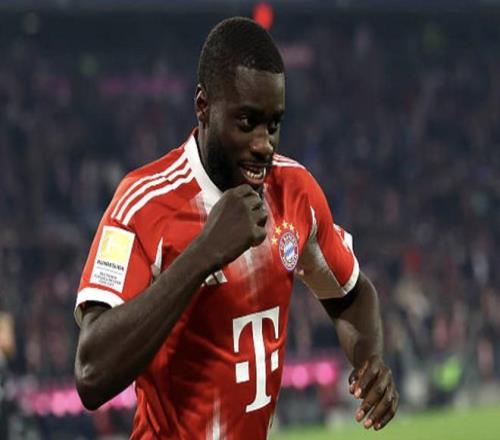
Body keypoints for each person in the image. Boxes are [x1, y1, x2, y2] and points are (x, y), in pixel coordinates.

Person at [74, 17, 399, 439]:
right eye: (246, 122)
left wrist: (370, 361)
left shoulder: (294, 191)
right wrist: (203, 253)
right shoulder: (143, 203)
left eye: (273, 124)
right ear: (203, 106)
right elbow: (91, 373)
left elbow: (352, 294)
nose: (263, 144)